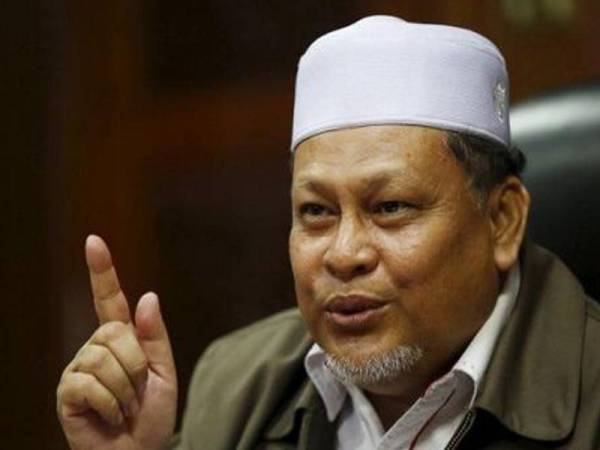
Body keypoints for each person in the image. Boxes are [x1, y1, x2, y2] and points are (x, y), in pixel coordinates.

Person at [56, 16, 600, 450]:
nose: (344, 254)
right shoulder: (238, 383)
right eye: (316, 212)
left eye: (390, 207)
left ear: (502, 220)